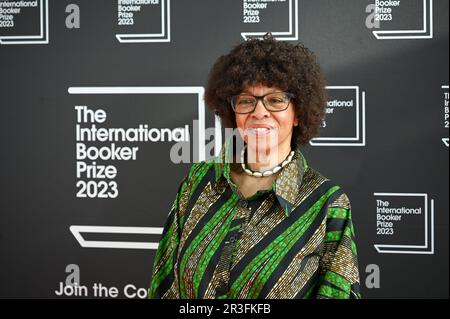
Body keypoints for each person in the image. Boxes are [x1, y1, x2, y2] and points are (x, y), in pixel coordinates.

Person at [149, 33, 361, 299]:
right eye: (247, 100)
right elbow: (164, 283)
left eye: (275, 100)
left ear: (299, 113)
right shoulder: (198, 180)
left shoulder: (327, 204)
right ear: (232, 110)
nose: (259, 112)